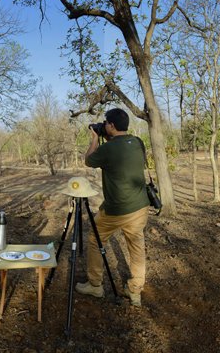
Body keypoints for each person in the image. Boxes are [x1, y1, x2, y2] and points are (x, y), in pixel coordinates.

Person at [75, 108, 151, 306]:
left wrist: (94, 138)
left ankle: (95, 285)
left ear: (112, 126)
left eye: (106, 123)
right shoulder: (137, 142)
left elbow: (89, 160)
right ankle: (135, 292)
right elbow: (120, 153)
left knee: (94, 239)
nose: (105, 125)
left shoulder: (107, 149)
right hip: (141, 206)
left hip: (116, 210)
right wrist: (107, 137)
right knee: (136, 248)